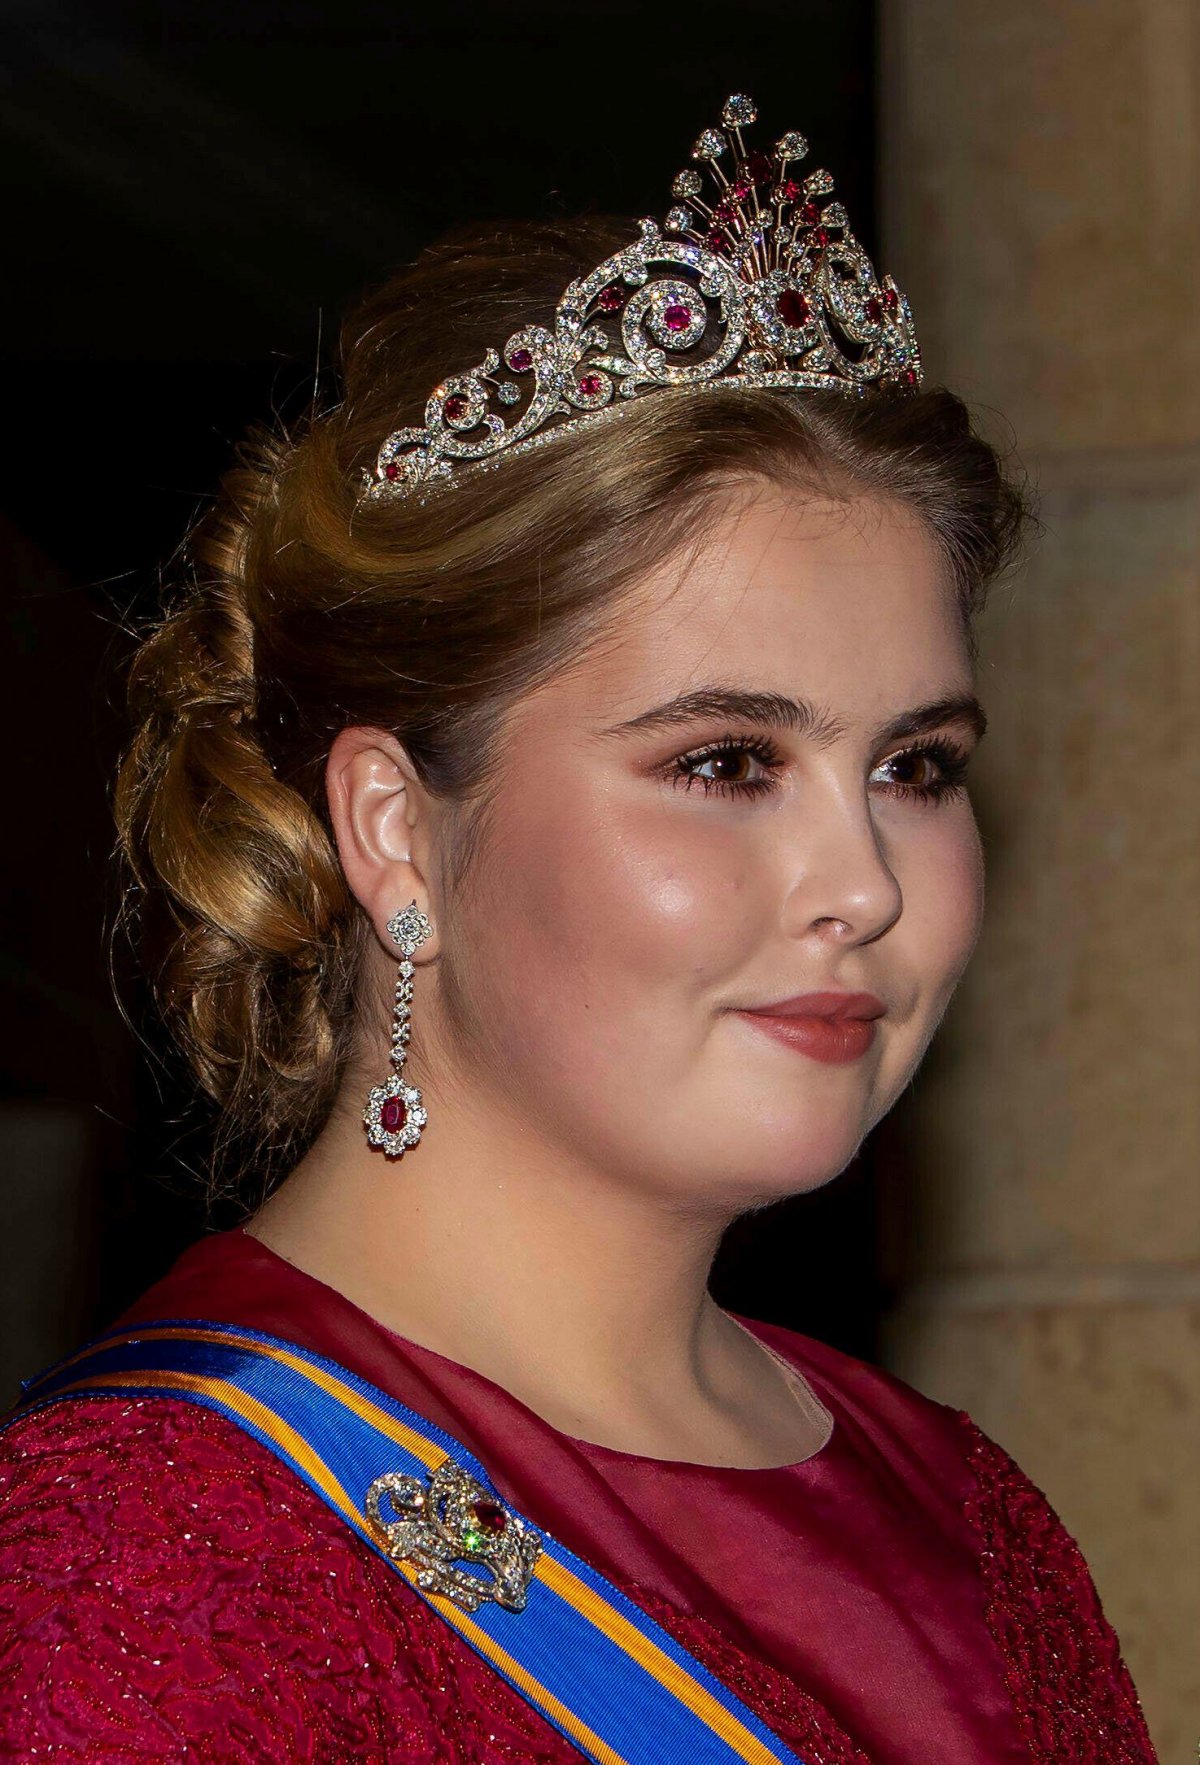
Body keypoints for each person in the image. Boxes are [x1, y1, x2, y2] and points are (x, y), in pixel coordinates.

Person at [0, 94, 1158, 1763]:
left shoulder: (965, 1509)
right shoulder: (148, 1566)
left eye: (914, 765)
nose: (868, 883)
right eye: (725, 761)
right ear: (397, 825)